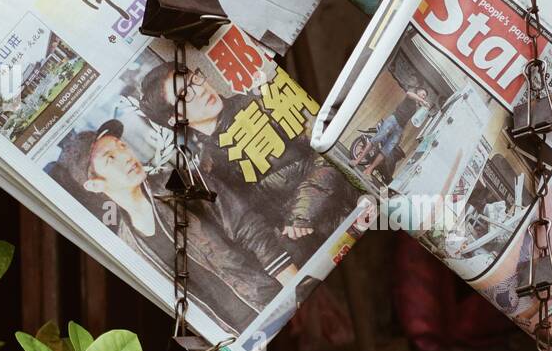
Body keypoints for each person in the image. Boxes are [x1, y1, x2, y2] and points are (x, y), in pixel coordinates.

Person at [50, 117, 281, 332]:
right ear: (94, 186)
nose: (126, 156)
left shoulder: (176, 181)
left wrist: (289, 282)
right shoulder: (126, 245)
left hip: (270, 301)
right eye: (110, 158)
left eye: (121, 146)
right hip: (230, 335)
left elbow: (246, 225)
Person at [137, 58, 354, 263]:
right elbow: (254, 228)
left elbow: (325, 147)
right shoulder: (209, 170)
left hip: (353, 202)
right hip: (323, 250)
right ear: (176, 119)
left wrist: (304, 212)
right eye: (185, 93)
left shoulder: (261, 101)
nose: (200, 89)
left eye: (194, 78)